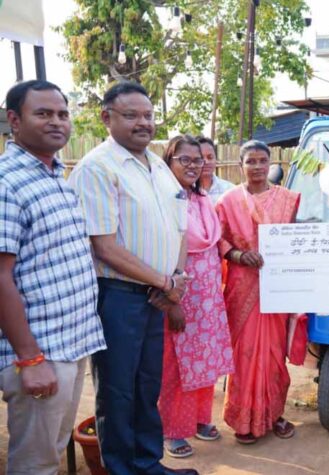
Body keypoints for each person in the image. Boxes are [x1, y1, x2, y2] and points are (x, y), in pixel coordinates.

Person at [68, 81, 197, 475]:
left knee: (146, 385)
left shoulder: (157, 165)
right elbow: (104, 247)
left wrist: (175, 279)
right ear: (106, 118)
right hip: (118, 297)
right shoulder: (97, 168)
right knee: (118, 390)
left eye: (148, 115)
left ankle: (147, 462)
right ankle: (122, 468)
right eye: (131, 115)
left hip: (156, 295)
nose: (143, 123)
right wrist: (164, 282)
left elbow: (179, 228)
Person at [0, 80, 105, 475]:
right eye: (43, 114)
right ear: (14, 120)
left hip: (71, 343)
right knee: (35, 463)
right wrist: (30, 359)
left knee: (54, 450)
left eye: (62, 114)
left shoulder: (55, 177)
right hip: (40, 350)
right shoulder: (6, 183)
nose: (57, 122)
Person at [216, 139, 301, 444]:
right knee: (245, 353)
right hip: (243, 286)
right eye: (250, 161)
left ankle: (274, 414)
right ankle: (243, 420)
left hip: (277, 286)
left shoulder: (288, 199)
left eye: (262, 161)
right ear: (241, 165)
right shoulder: (227, 202)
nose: (257, 167)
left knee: (275, 352)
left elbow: (296, 238)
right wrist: (239, 255)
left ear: (271, 163)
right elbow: (218, 240)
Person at [158, 135, 234, 458]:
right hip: (180, 296)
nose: (193, 165)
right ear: (169, 161)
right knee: (177, 368)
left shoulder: (202, 198)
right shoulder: (164, 199)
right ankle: (173, 429)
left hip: (208, 298)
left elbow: (216, 243)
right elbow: (161, 253)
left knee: (206, 361)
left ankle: (201, 419)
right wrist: (172, 302)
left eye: (198, 159)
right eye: (185, 159)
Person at [197, 136, 234, 204]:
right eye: (201, 158)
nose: (206, 161)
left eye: (210, 157)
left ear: (216, 159)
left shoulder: (229, 189)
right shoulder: (185, 191)